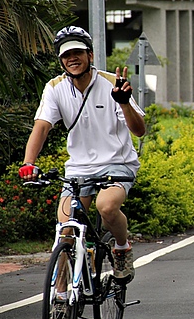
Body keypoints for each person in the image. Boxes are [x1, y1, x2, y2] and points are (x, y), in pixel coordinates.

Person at [18, 26, 146, 284]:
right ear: (61, 60)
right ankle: (61, 299)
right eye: (66, 55)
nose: (72, 59)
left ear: (90, 55)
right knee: (66, 231)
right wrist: (28, 163)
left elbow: (139, 130)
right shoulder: (55, 88)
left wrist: (123, 102)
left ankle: (121, 247)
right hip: (78, 168)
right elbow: (41, 127)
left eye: (78, 52)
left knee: (106, 207)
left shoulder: (113, 84)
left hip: (116, 164)